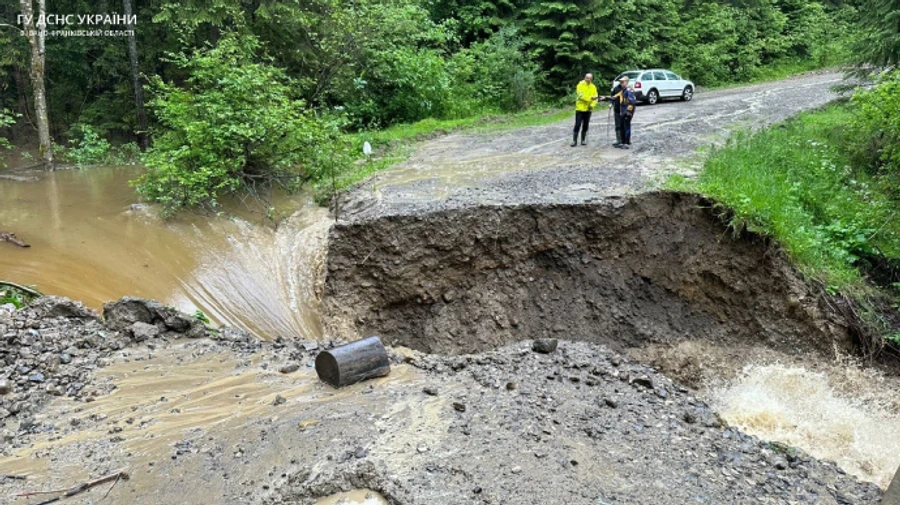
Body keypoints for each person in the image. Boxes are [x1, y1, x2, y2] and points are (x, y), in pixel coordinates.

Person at [602, 76, 637, 149]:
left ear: (627, 82)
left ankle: (626, 143)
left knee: (626, 126)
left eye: (622, 82)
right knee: (621, 126)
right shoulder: (622, 90)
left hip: (627, 111)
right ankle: (622, 142)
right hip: (622, 111)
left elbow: (632, 102)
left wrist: (629, 111)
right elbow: (614, 96)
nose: (621, 83)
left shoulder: (629, 90)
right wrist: (605, 98)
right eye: (620, 82)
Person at [572, 73, 599, 147]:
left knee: (586, 125)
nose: (588, 79)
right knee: (577, 124)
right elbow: (581, 96)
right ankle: (574, 140)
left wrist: (592, 105)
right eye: (587, 78)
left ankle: (583, 140)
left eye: (590, 78)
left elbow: (596, 97)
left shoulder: (593, 87)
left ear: (591, 79)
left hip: (588, 109)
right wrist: (590, 98)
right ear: (585, 77)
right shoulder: (580, 85)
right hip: (580, 109)